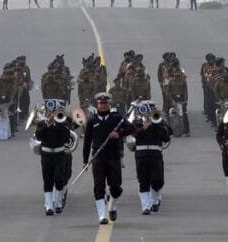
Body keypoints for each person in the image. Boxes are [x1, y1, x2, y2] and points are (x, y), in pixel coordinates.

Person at [83, 92, 134, 224]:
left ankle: (112, 206)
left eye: (105, 103)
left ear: (109, 104)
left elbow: (131, 127)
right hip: (98, 157)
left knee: (116, 187)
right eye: (101, 103)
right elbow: (87, 142)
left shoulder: (116, 118)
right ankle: (102, 215)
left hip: (113, 156)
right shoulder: (92, 120)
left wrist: (119, 133)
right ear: (97, 105)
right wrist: (85, 160)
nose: (103, 106)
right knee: (98, 186)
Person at [132, 102, 172, 215]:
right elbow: (133, 136)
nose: (148, 114)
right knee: (143, 180)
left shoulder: (158, 123)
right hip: (141, 154)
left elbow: (166, 138)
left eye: (150, 112)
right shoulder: (137, 122)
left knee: (158, 180)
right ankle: (146, 206)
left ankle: (154, 201)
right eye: (146, 112)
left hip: (155, 154)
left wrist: (156, 125)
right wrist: (143, 129)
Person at [34, 101, 73, 215]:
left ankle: (58, 203)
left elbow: (66, 138)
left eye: (52, 112)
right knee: (48, 180)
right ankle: (49, 206)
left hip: (59, 154)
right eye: (47, 112)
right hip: (46, 155)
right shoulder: (41, 124)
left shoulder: (62, 123)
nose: (50, 114)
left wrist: (59, 124)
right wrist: (47, 124)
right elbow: (38, 136)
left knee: (59, 179)